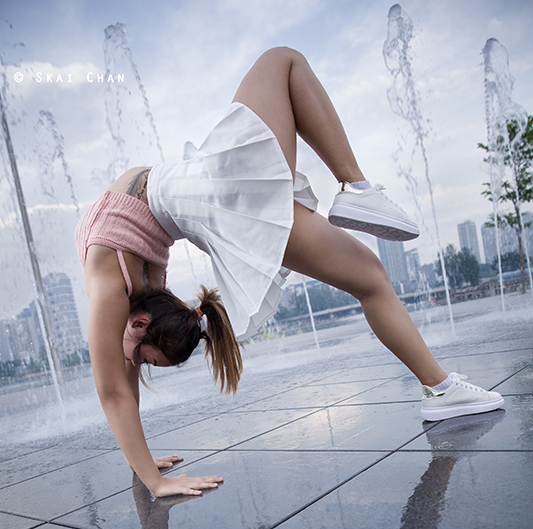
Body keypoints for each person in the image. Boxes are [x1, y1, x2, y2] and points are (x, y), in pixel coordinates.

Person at [76, 47, 503, 497]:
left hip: (223, 197)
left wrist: (154, 480)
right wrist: (142, 465)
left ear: (142, 324)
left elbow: (113, 391)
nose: (137, 363)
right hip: (211, 189)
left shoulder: (111, 287)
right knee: (372, 276)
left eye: (146, 358)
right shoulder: (141, 294)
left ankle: (357, 190)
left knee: (283, 61)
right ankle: (357, 189)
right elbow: (123, 381)